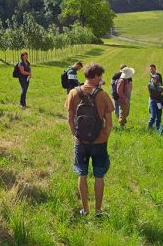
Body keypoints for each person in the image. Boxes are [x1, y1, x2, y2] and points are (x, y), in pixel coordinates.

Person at [66, 63, 113, 217]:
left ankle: (85, 210)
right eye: (100, 76)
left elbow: (70, 118)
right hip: (99, 142)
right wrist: (105, 136)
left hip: (81, 143)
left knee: (82, 174)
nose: (101, 79)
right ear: (94, 77)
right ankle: (98, 211)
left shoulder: (73, 93)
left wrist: (75, 134)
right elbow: (109, 121)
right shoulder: (103, 95)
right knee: (99, 176)